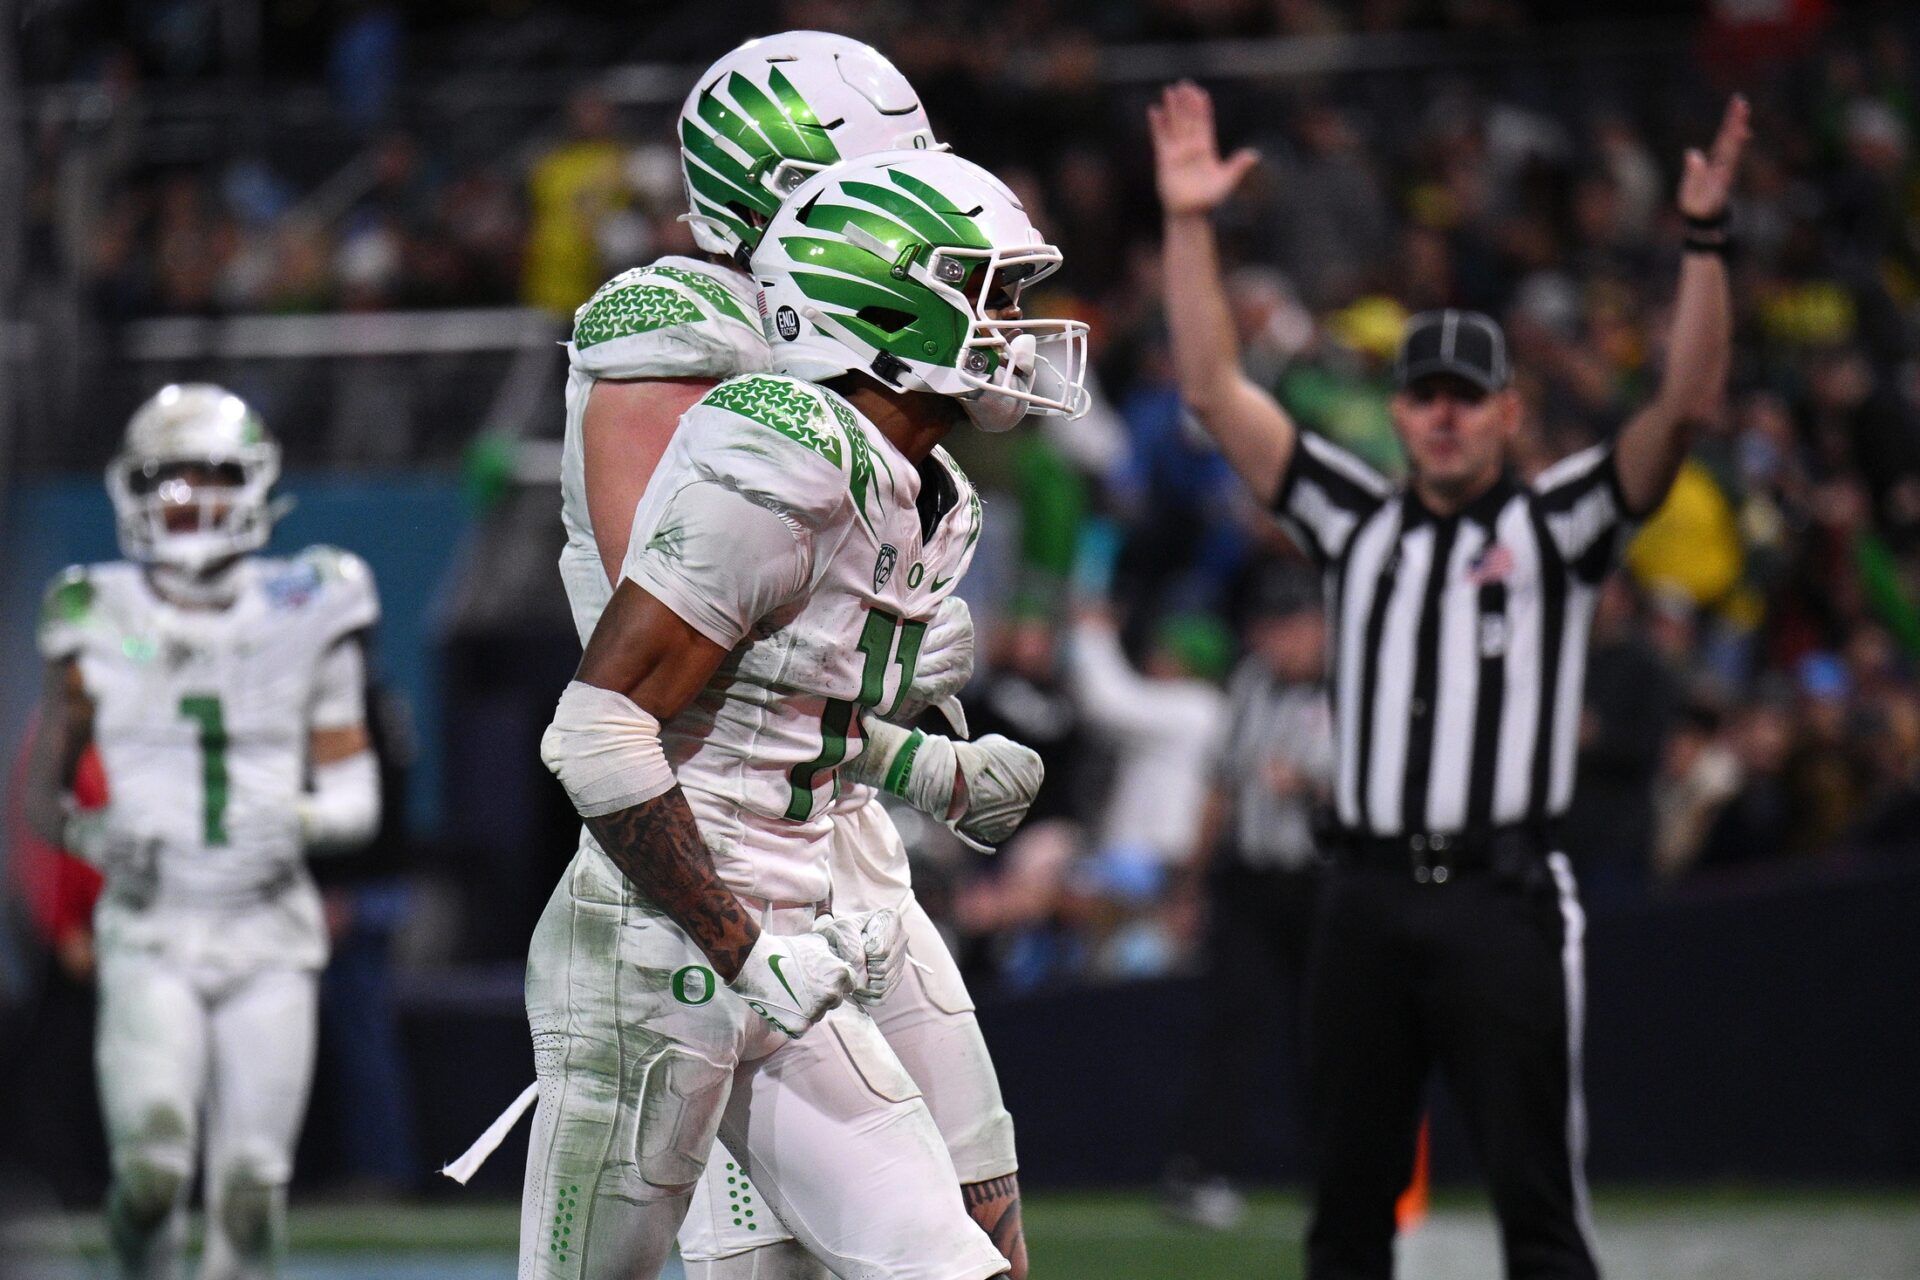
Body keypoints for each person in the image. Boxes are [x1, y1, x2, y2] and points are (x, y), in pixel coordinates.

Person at [1149, 81, 1748, 1279]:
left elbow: (1683, 403)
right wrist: (1188, 222)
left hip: (1501, 897)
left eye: (1466, 399)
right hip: (1361, 900)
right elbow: (1216, 392)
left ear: (1508, 415)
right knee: (1347, 1214)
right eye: (1423, 395)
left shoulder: (1559, 524)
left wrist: (1700, 241)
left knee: (1538, 1211)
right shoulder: (1352, 516)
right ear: (1398, 408)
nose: (1441, 417)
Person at [525, 148, 1086, 1280]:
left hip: (798, 944)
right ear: (885, 298)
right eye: (989, 292)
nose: (1015, 326)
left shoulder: (922, 486)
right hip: (658, 948)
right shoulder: (783, 443)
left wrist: (934, 771)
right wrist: (739, 943)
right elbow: (592, 728)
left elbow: (784, 714)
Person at [22, 384, 383, 1280]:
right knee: (150, 1170)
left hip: (267, 928)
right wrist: (97, 842)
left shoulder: (314, 599)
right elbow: (41, 800)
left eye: (211, 476)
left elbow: (356, 798)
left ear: (255, 484)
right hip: (152, 926)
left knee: (253, 1187)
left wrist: (297, 819)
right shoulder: (89, 610)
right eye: (167, 478)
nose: (188, 498)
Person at [1162, 565, 1334, 1229]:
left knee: (1329, 1034)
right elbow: (1220, 788)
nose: (1278, 642)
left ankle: (1339, 1173)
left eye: (1290, 627)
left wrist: (1312, 784)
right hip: (1253, 882)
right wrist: (1190, 881)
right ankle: (1203, 1170)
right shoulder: (1253, 685)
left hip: (1325, 885)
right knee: (1233, 1025)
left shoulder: (1354, 690)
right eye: (1270, 628)